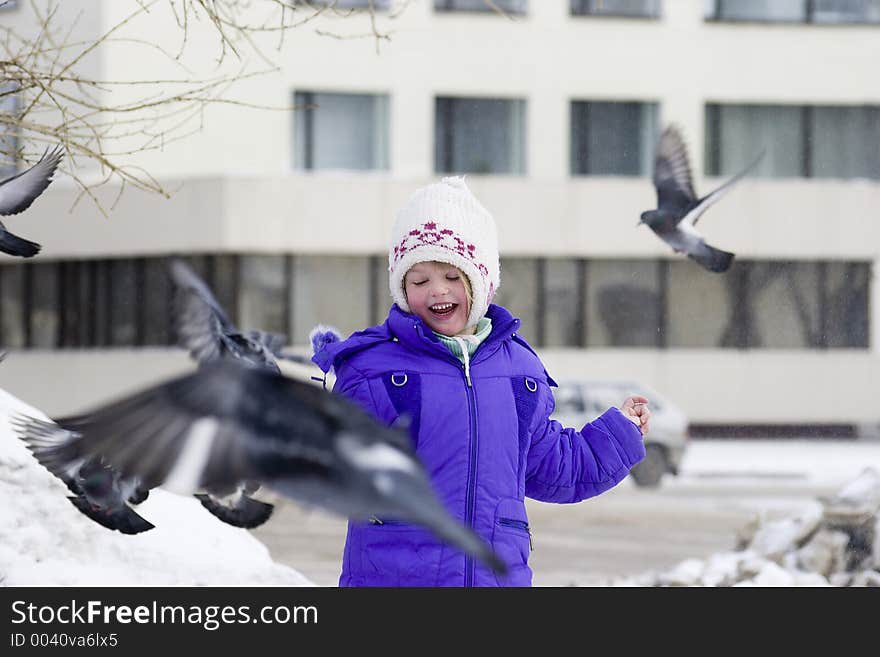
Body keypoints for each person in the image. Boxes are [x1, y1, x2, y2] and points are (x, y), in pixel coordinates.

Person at [311, 176, 650, 587]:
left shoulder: (518, 372)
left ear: (482, 280)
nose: (437, 291)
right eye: (419, 281)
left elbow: (551, 466)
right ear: (402, 288)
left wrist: (616, 436)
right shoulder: (373, 369)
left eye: (453, 277)